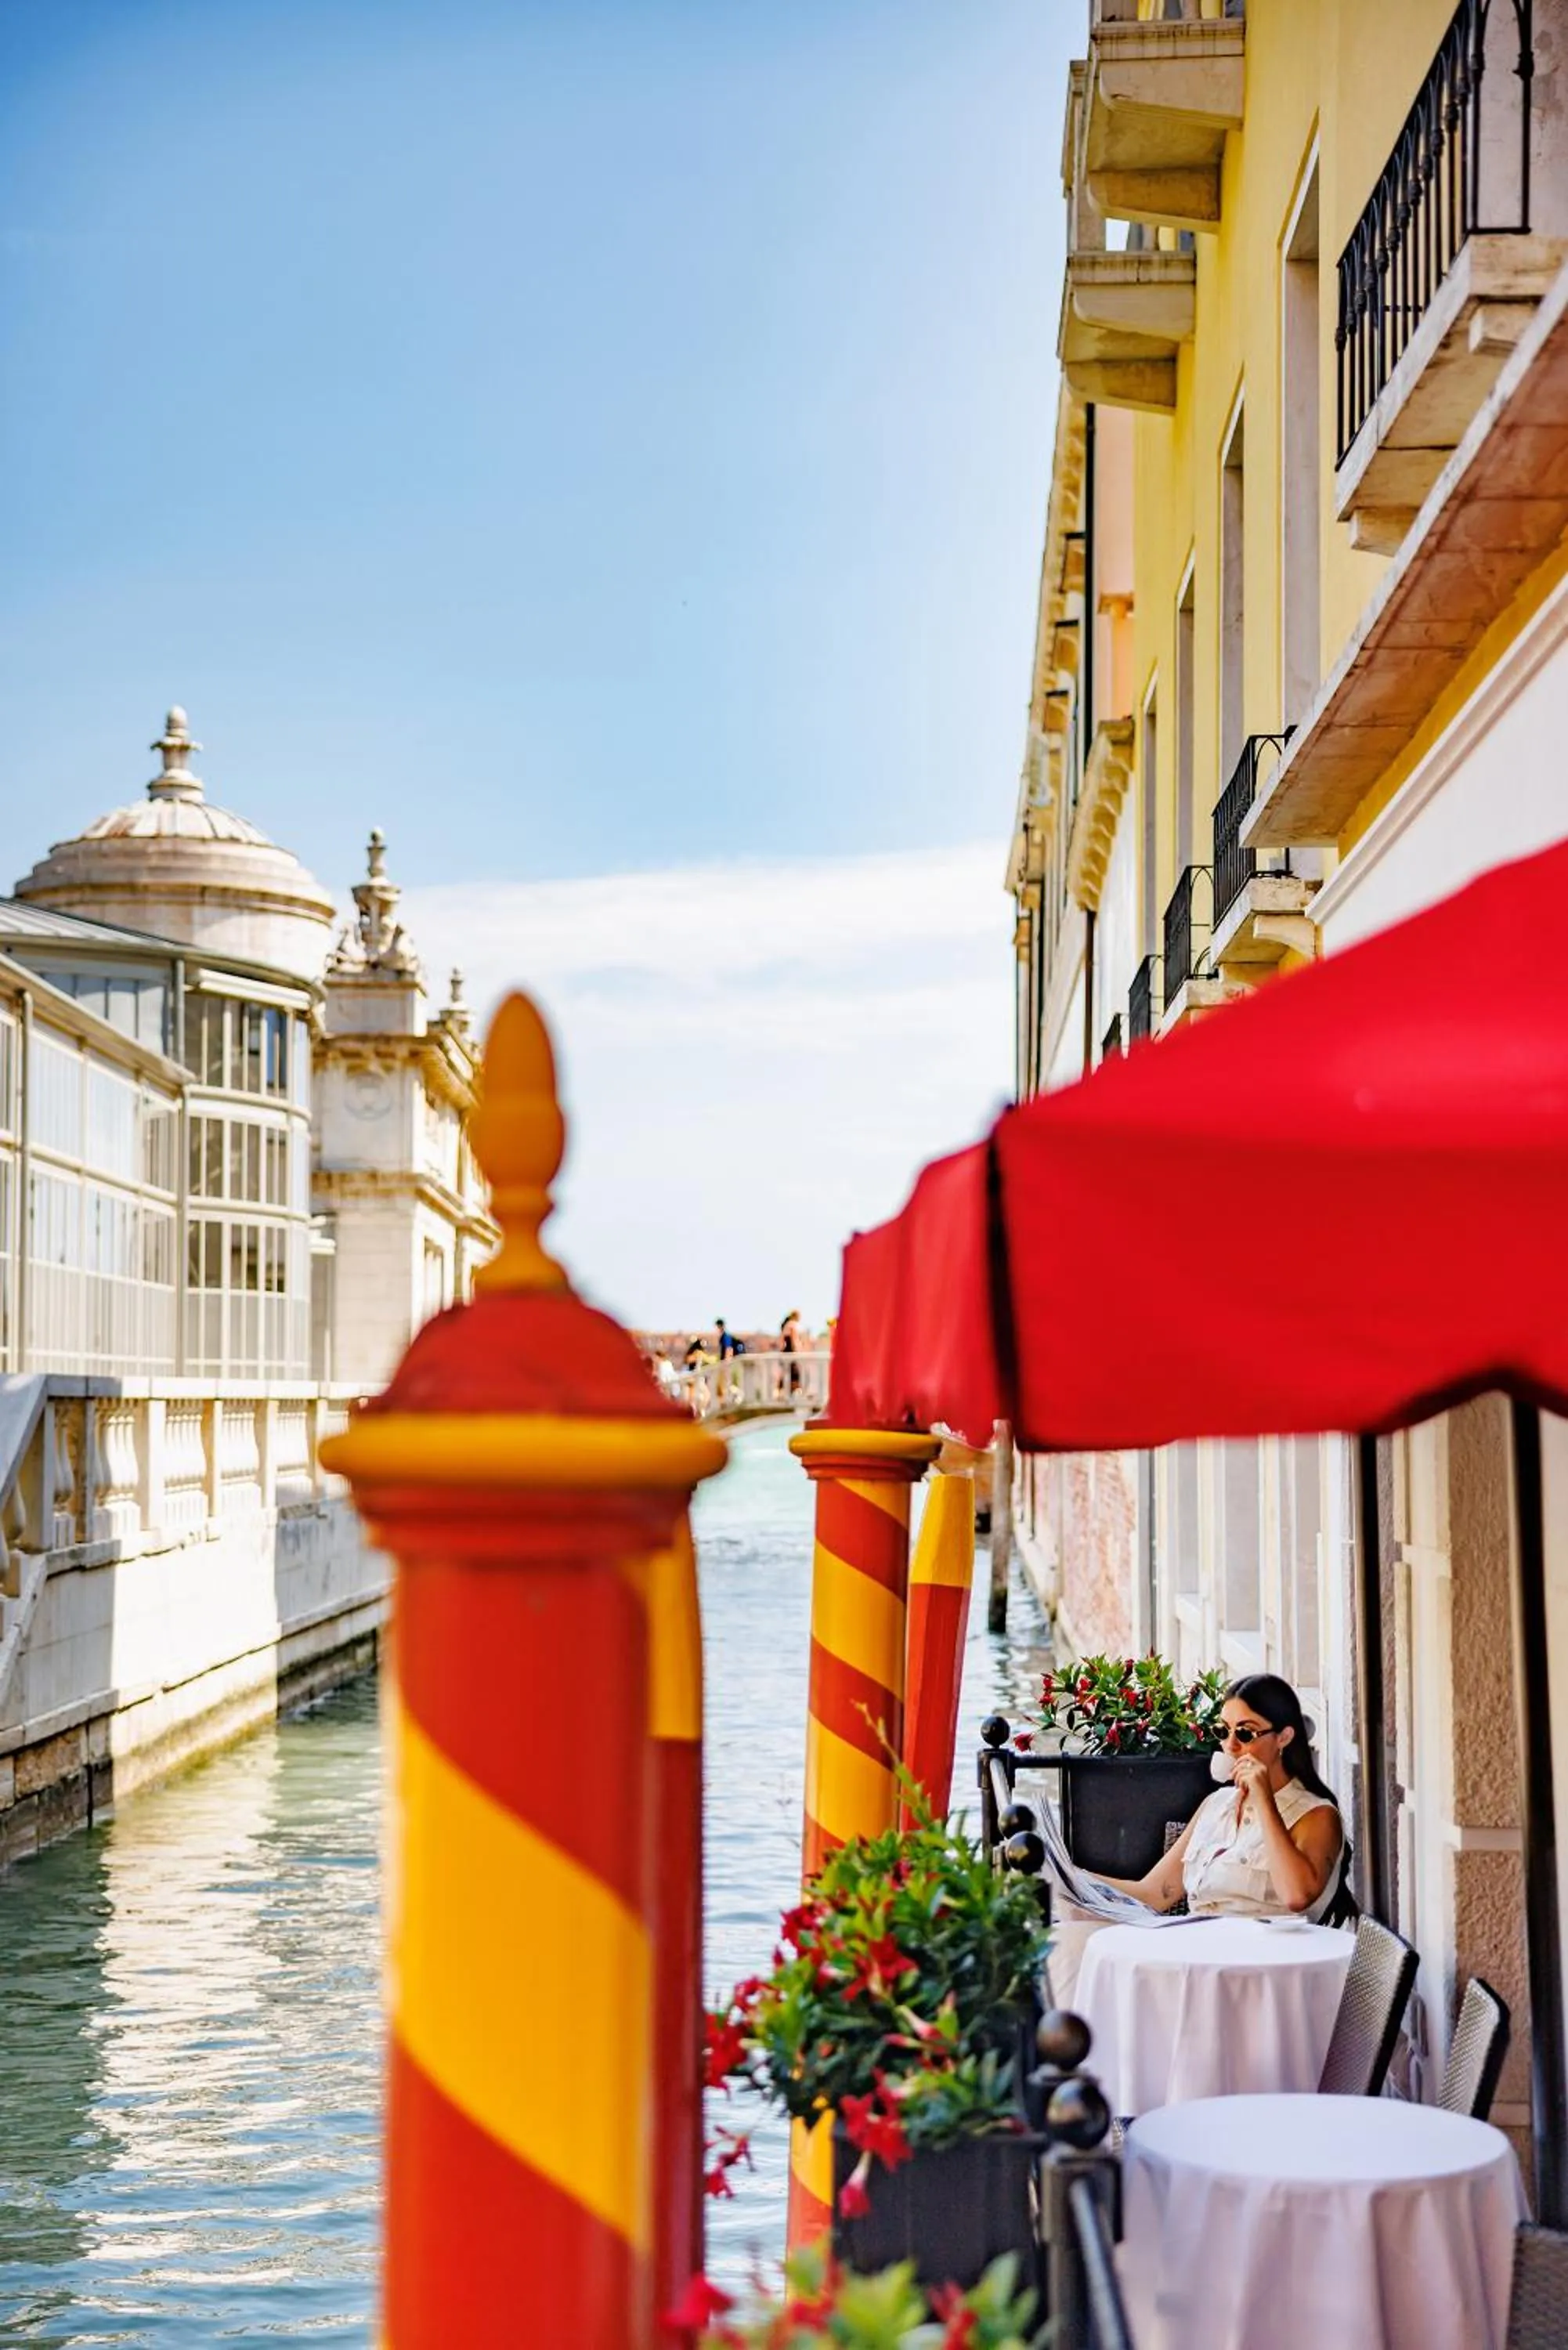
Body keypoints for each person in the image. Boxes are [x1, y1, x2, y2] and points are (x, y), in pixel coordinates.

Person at [1096, 1674, 1343, 1922]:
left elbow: (1297, 1896)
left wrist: (1264, 1800)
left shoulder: (1317, 1815)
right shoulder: (1216, 1804)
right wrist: (1074, 1878)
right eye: (1223, 1731)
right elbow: (1157, 1894)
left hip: (1264, 1955)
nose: (1230, 1745)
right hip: (1198, 1947)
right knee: (1079, 1932)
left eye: (1245, 1733)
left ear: (1284, 1737)